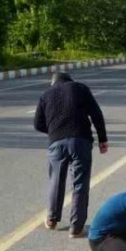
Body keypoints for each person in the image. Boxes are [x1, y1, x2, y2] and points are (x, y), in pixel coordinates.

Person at [34, 72, 108, 238]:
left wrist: (54, 131)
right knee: (80, 184)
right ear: (70, 80)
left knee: (56, 181)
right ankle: (76, 227)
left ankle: (52, 219)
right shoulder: (80, 88)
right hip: (80, 141)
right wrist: (102, 139)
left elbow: (37, 123)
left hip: (56, 144)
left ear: (53, 83)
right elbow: (96, 114)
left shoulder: (46, 95)